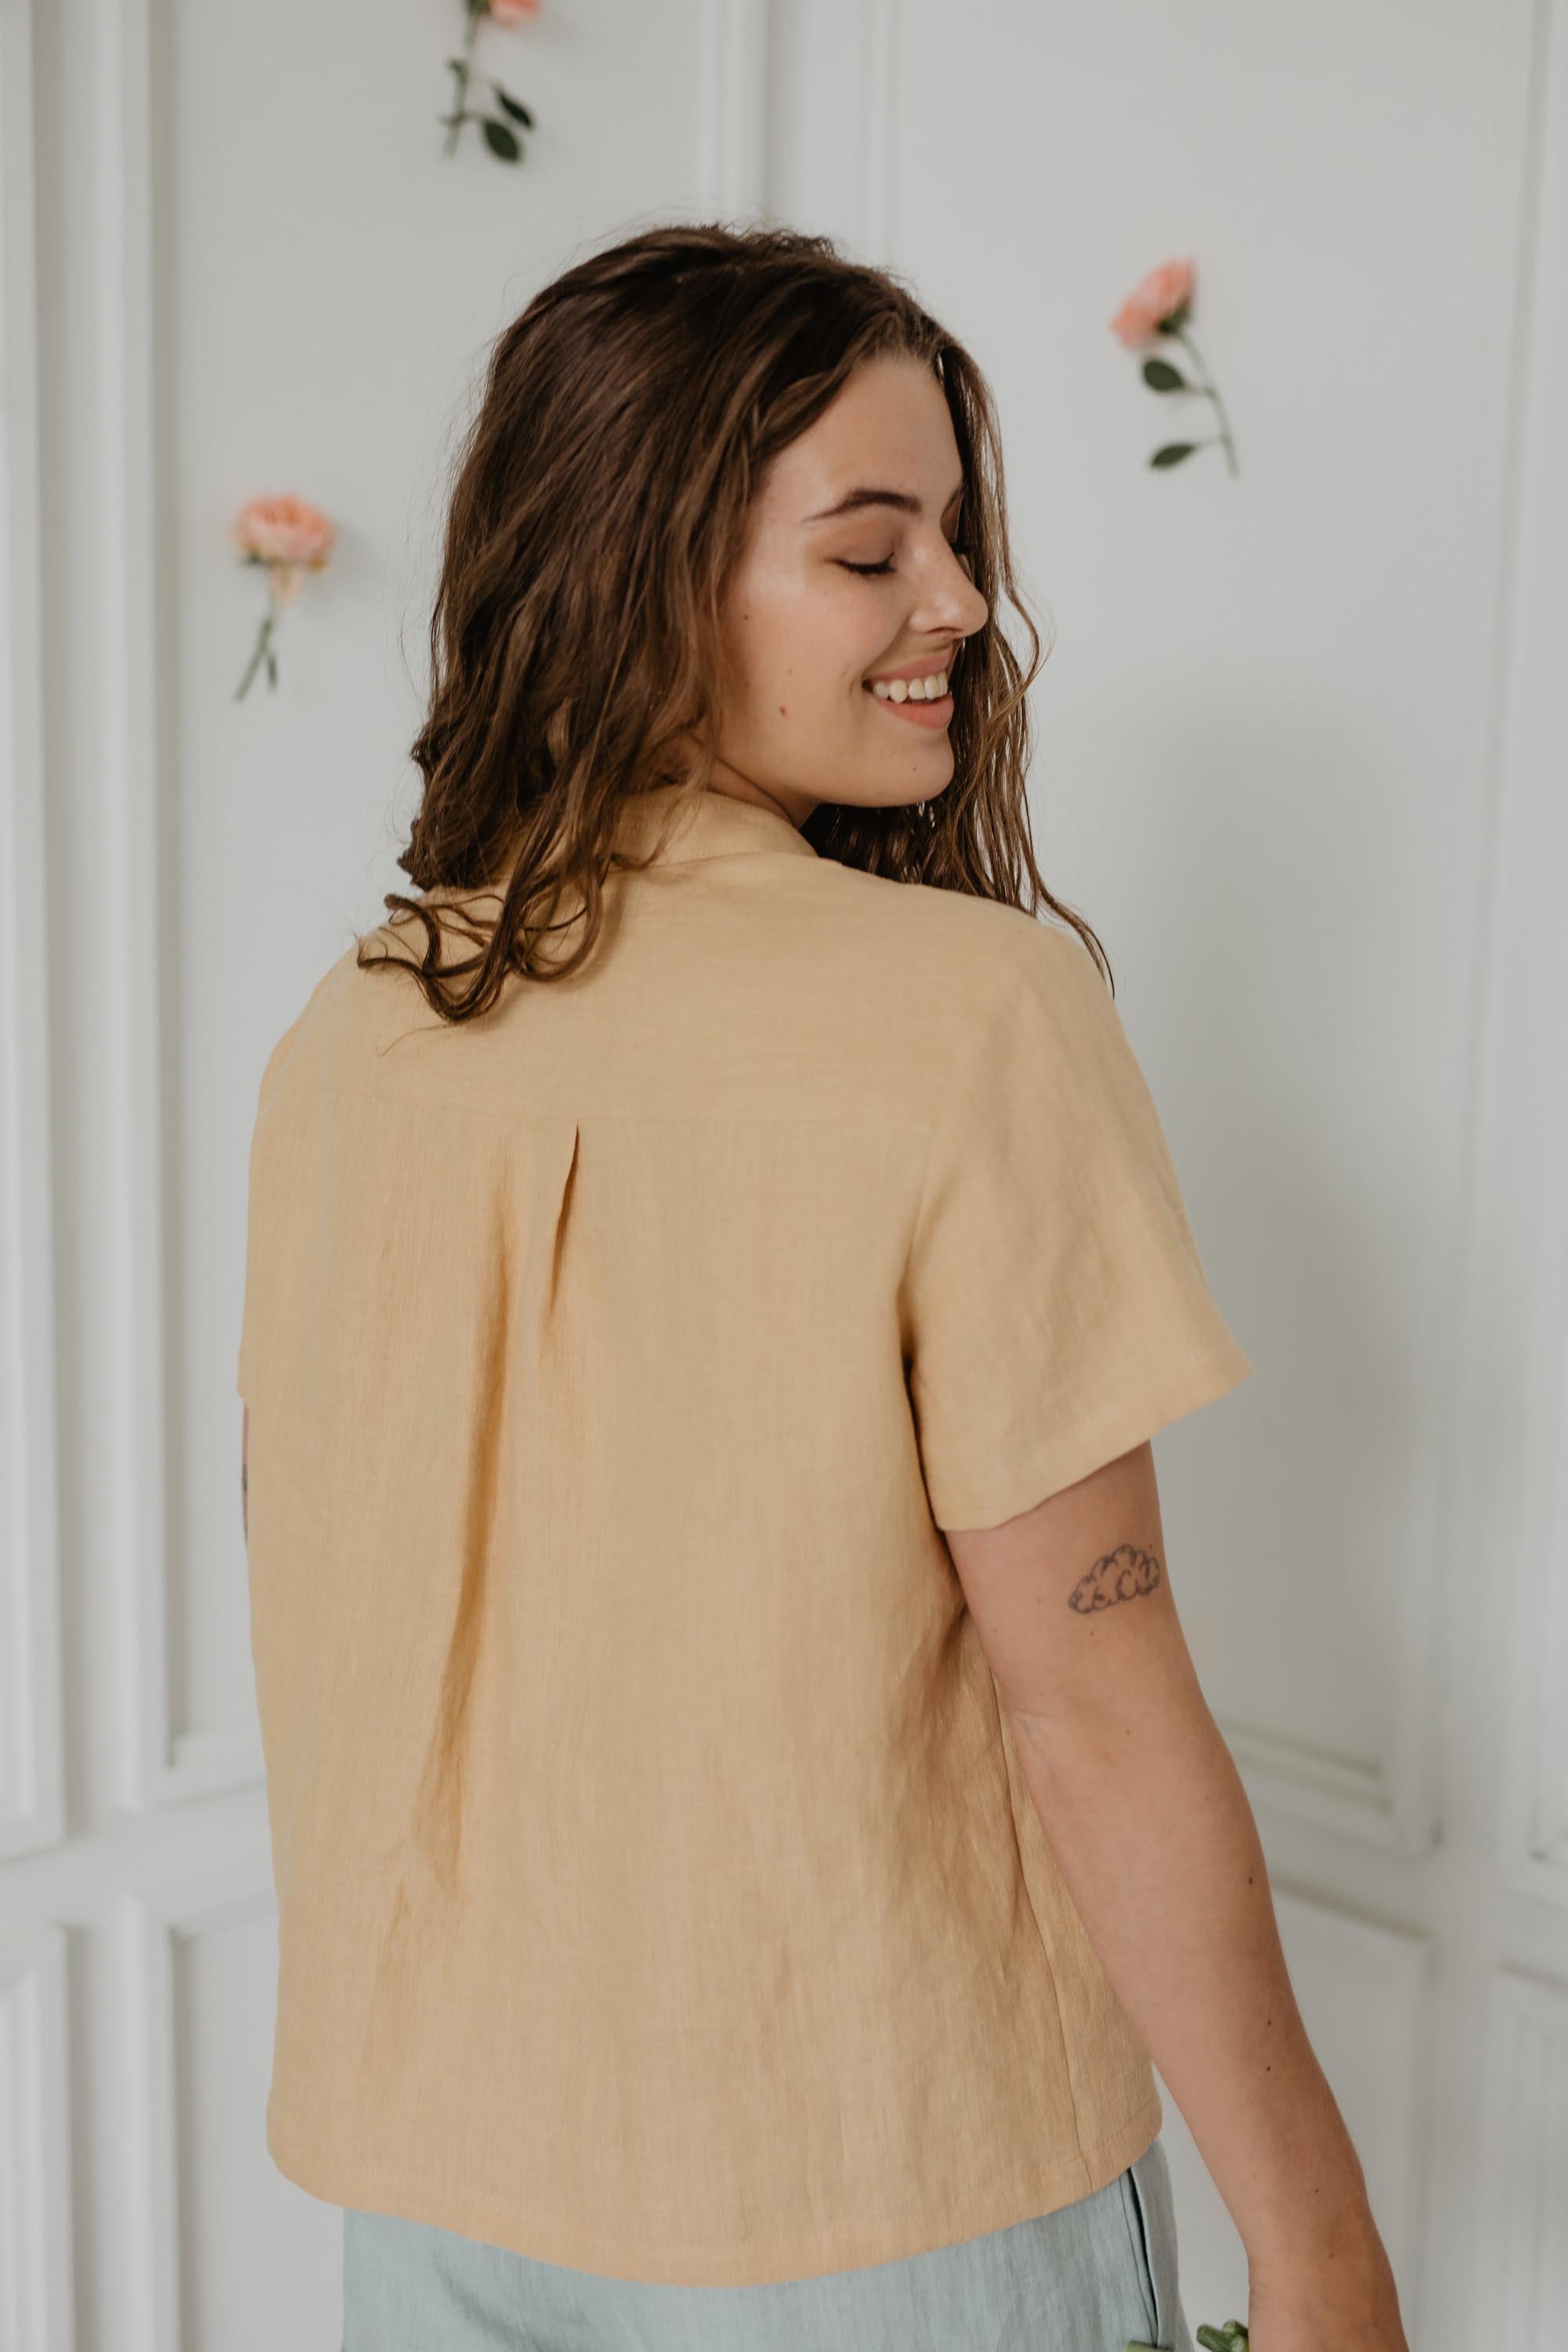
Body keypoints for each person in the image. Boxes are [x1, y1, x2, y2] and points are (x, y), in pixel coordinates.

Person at [235, 222, 1410, 2352]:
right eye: (873, 551)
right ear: (644, 574)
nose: (960, 602)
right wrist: (1319, 2249)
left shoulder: (362, 1025)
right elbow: (1096, 1700)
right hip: (883, 2193)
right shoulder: (971, 1015)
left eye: (954, 536)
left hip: (435, 2194)